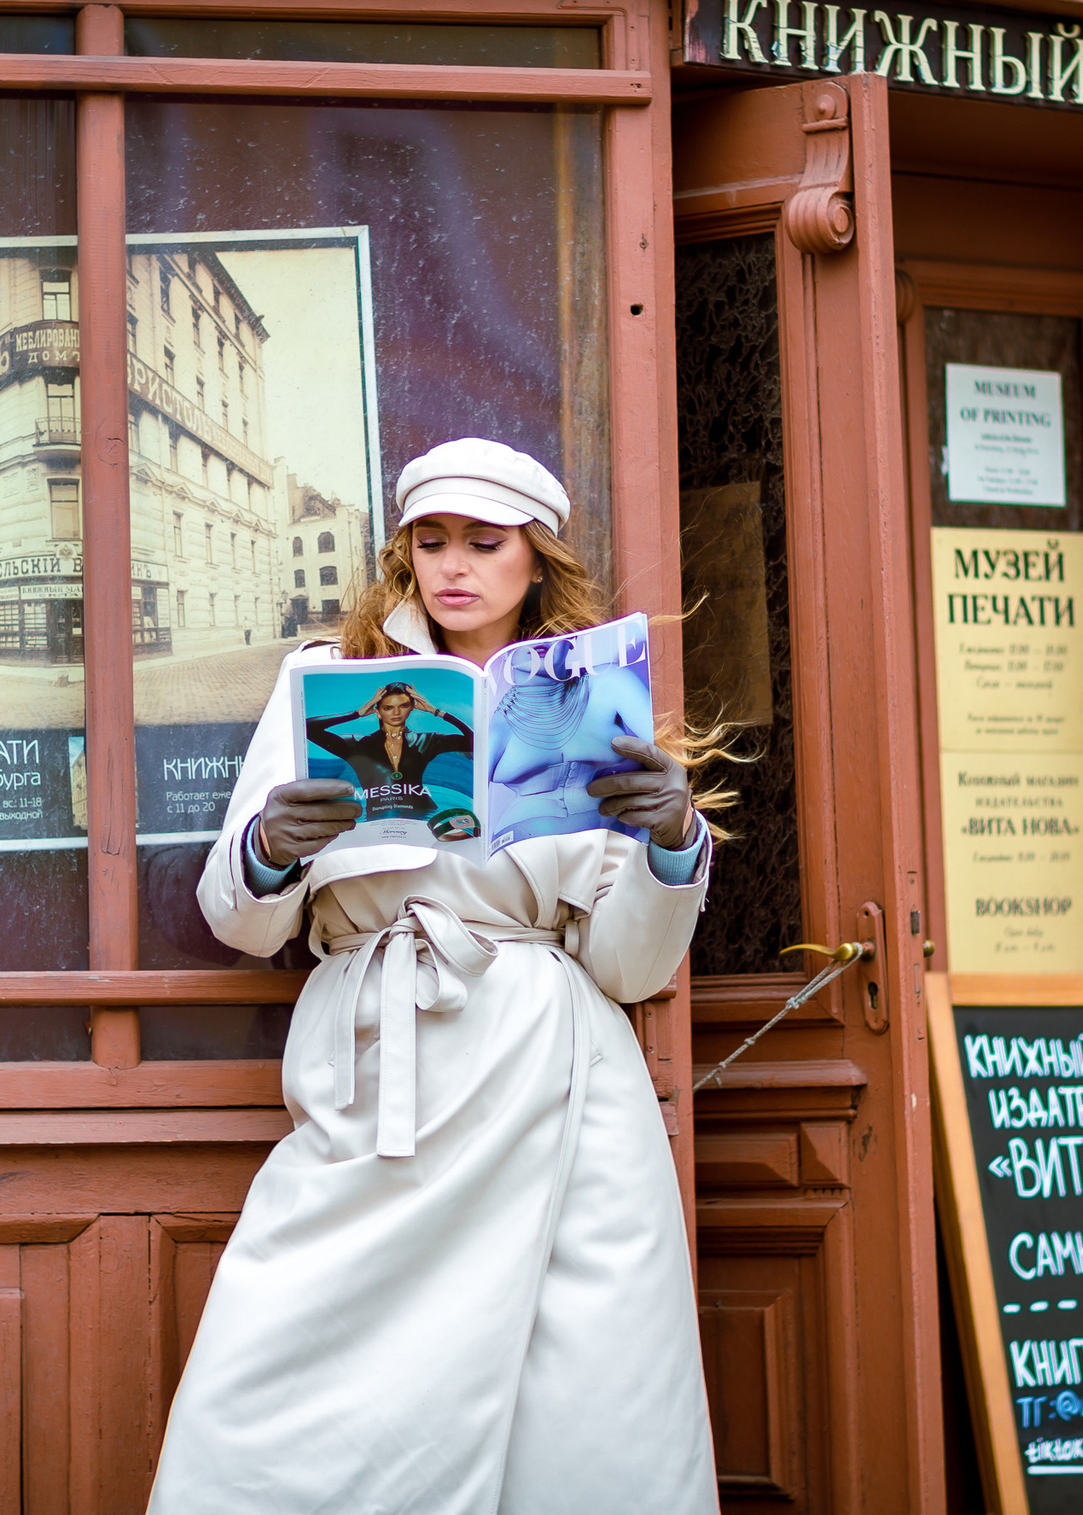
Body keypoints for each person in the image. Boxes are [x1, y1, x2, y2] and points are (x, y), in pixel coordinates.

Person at [149, 438, 723, 1515]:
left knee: (581, 1396)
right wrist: (272, 844)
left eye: (484, 544)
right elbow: (234, 917)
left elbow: (629, 966)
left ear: (534, 560)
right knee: (274, 1365)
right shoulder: (327, 679)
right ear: (403, 553)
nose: (453, 566)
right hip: (382, 1071)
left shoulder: (586, 701)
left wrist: (671, 845)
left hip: (558, 1084)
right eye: (431, 542)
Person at [306, 681, 473, 819]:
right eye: (388, 708)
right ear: (377, 712)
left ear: (412, 708)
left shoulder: (427, 740)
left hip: (424, 815)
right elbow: (308, 727)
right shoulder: (357, 744)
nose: (396, 712)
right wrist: (356, 714)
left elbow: (472, 743)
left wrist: (436, 711)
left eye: (404, 705)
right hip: (377, 819)